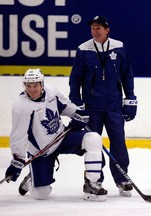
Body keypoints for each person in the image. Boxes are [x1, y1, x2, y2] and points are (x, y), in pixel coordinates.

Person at [5, 68, 107, 201]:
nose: (32, 89)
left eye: (35, 85)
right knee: (41, 194)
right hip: (41, 151)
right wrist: (17, 160)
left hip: (62, 137)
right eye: (28, 86)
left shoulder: (51, 92)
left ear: (41, 84)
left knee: (93, 138)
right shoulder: (21, 107)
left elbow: (66, 107)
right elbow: (18, 136)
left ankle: (92, 185)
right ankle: (32, 180)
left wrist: (78, 114)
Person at [68, 16, 137, 197]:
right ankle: (94, 180)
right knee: (93, 144)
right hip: (91, 108)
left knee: (119, 143)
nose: (95, 32)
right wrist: (76, 102)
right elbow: (75, 78)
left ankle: (122, 178)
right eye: (92, 28)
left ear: (107, 30)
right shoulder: (83, 49)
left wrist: (130, 99)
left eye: (98, 28)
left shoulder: (119, 47)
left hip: (114, 107)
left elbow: (127, 75)